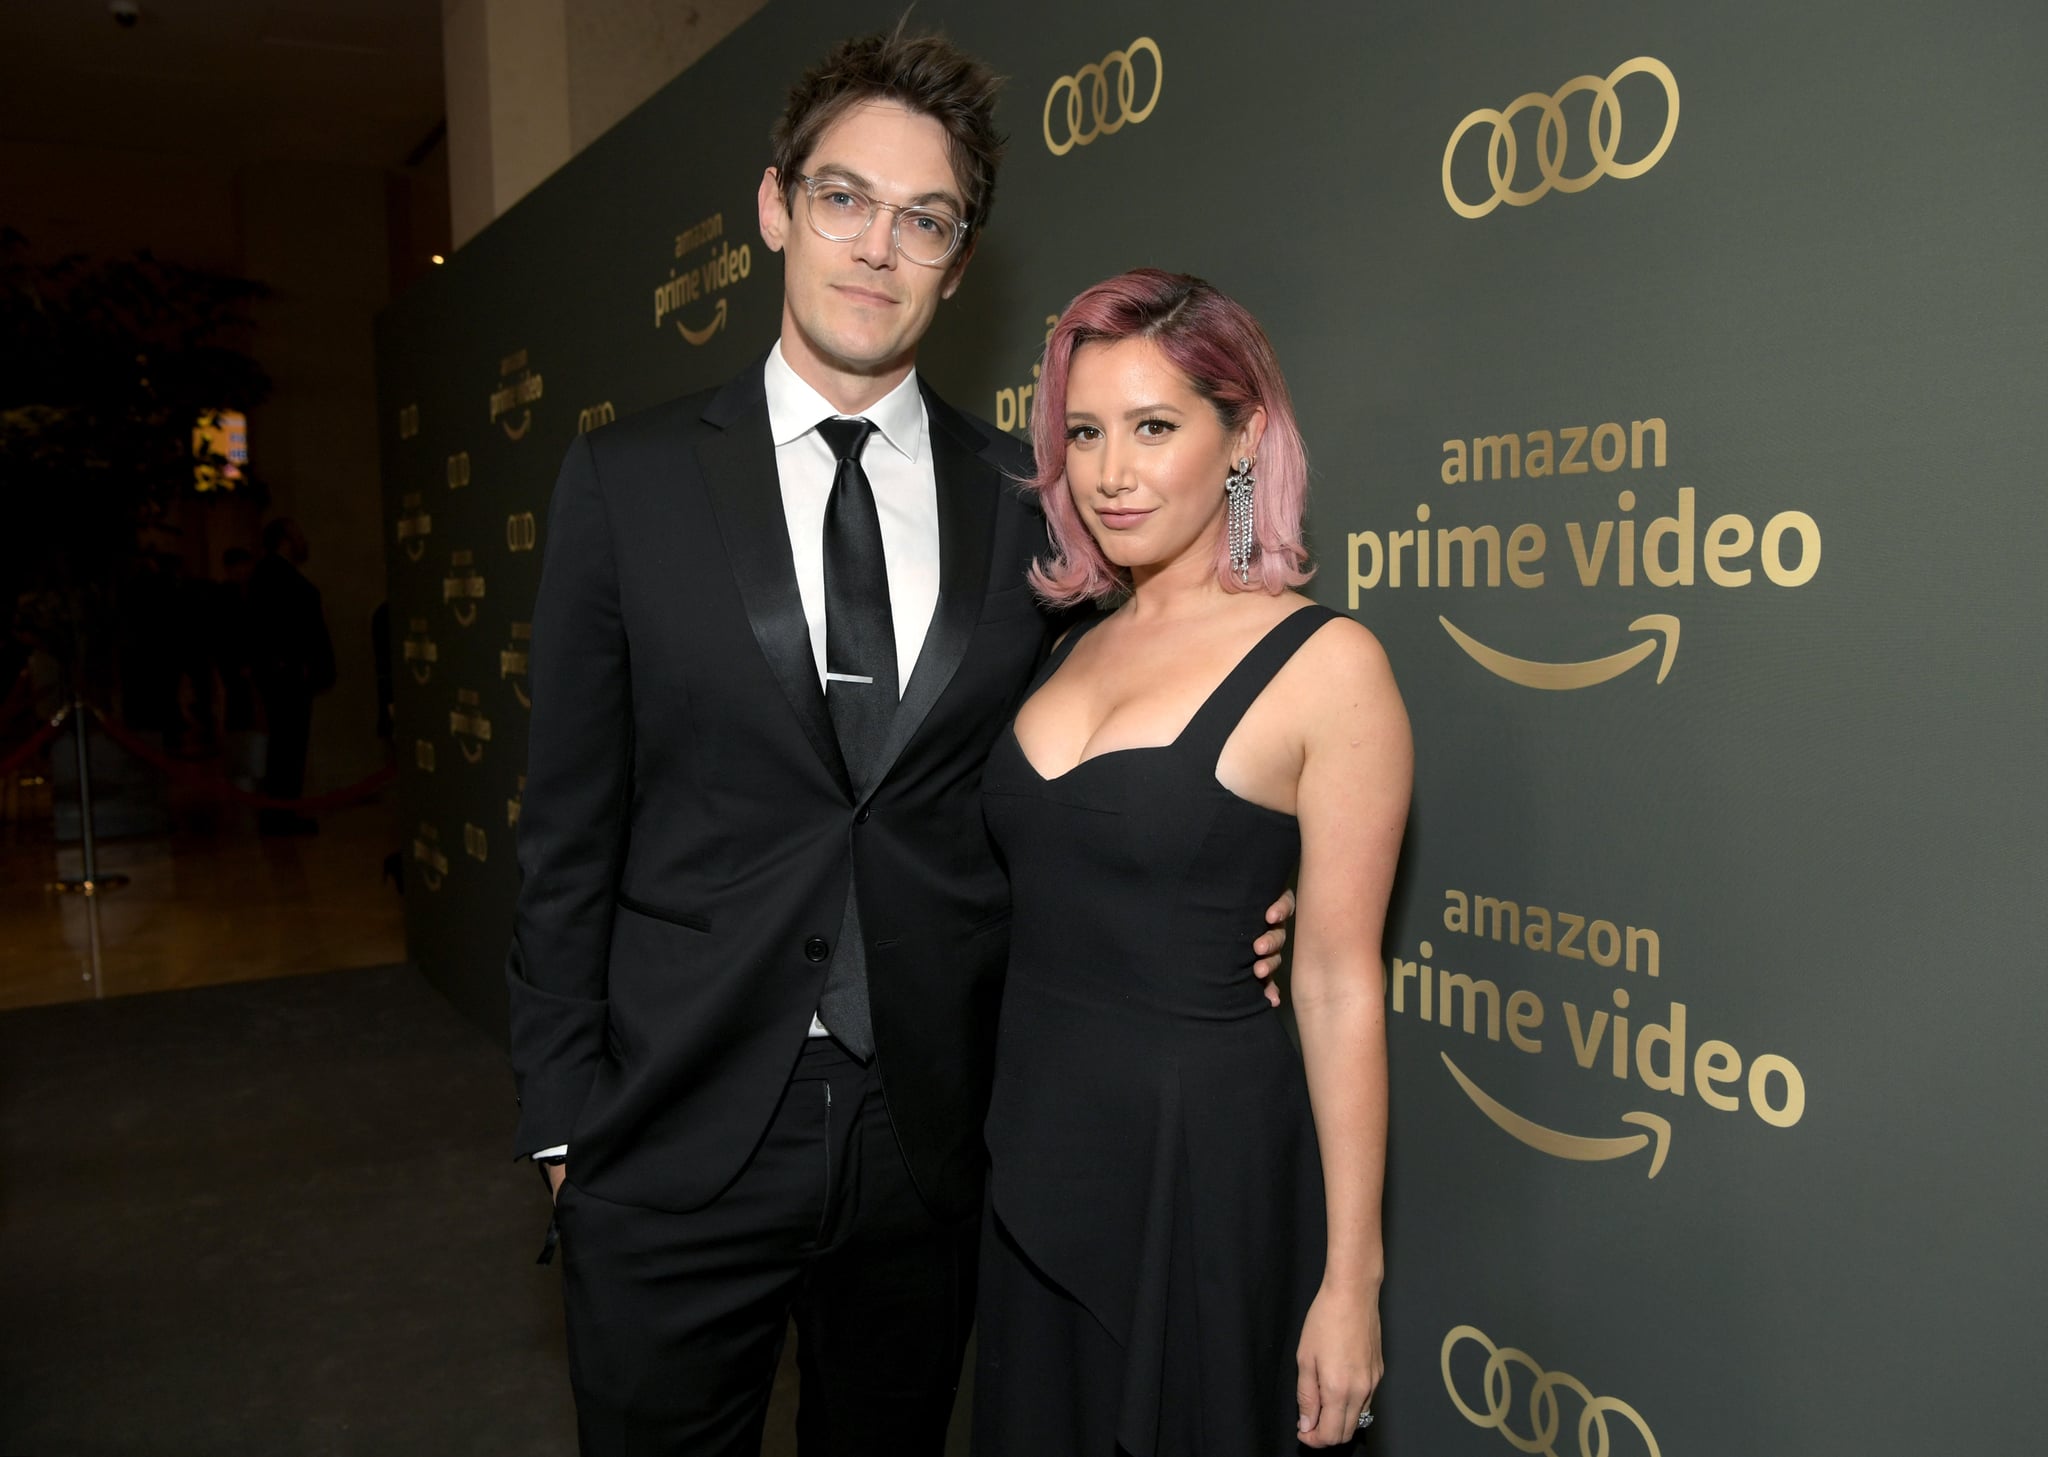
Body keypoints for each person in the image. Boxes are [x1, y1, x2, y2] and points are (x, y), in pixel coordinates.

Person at [506, 28, 1299, 1457]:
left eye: (924, 218)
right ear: (775, 208)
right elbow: (567, 827)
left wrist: (1253, 889)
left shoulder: (1034, 503)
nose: (879, 246)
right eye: (844, 199)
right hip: (674, 1131)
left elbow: (1115, 754)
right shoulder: (626, 481)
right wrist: (567, 1129)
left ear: (961, 254)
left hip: (930, 1141)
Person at [972, 270, 1411, 1455]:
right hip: (1030, 1161)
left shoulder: (1327, 663)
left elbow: (1332, 981)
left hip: (1198, 1174)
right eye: (1084, 432)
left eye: (1154, 426)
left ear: (1243, 436)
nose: (1110, 471)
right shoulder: (1059, 643)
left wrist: (1350, 1279)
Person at [246, 518, 335, 835]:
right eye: (297, 535)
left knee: (289, 746)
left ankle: (283, 812)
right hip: (287, 678)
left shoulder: (273, 575)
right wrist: (291, 665)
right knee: (287, 746)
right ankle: (280, 815)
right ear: (285, 539)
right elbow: (276, 629)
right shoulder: (274, 577)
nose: (303, 541)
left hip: (288, 675)